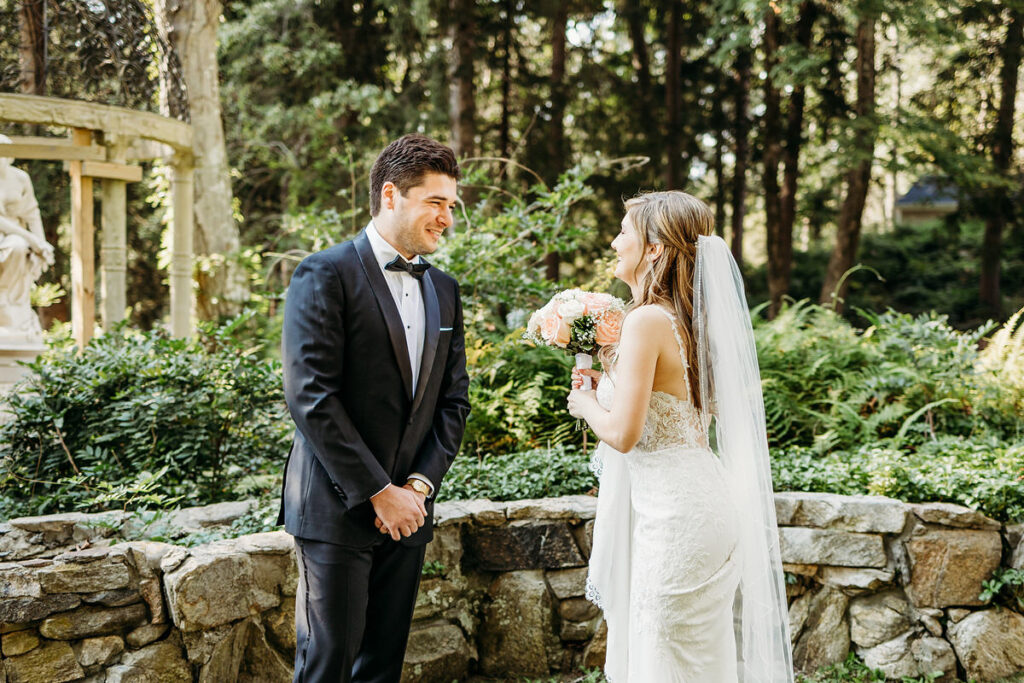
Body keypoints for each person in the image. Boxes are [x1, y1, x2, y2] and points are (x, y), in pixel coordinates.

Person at [568, 191, 793, 682]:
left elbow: (624, 435)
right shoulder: (687, 319)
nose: (613, 241)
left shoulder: (648, 320)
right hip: (699, 500)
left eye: (624, 231)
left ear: (653, 249)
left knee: (665, 657)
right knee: (696, 660)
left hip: (676, 517)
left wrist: (585, 405)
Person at [278, 134, 471, 683]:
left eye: (451, 205)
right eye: (436, 202)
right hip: (335, 512)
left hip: (409, 512)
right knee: (328, 665)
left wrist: (416, 489)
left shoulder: (446, 291)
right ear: (391, 195)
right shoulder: (324, 273)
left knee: (382, 668)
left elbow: (453, 401)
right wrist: (377, 492)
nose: (447, 219)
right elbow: (310, 395)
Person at [0, 134, 53, 341]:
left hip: (16, 235)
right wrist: (35, 241)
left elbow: (32, 213)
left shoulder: (20, 178)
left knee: (18, 247)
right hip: (9, 232)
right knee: (20, 244)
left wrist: (42, 246)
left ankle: (6, 297)